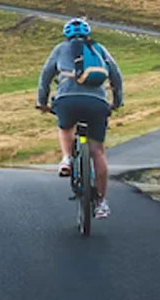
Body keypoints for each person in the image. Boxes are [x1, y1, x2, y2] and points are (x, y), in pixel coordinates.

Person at [35, 17, 124, 219]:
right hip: (97, 103)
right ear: (88, 34)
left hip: (67, 100)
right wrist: (117, 102)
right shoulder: (99, 49)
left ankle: (67, 158)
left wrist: (42, 102)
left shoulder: (60, 49)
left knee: (66, 128)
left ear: (66, 36)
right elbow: (116, 75)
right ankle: (101, 203)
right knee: (97, 151)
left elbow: (45, 76)